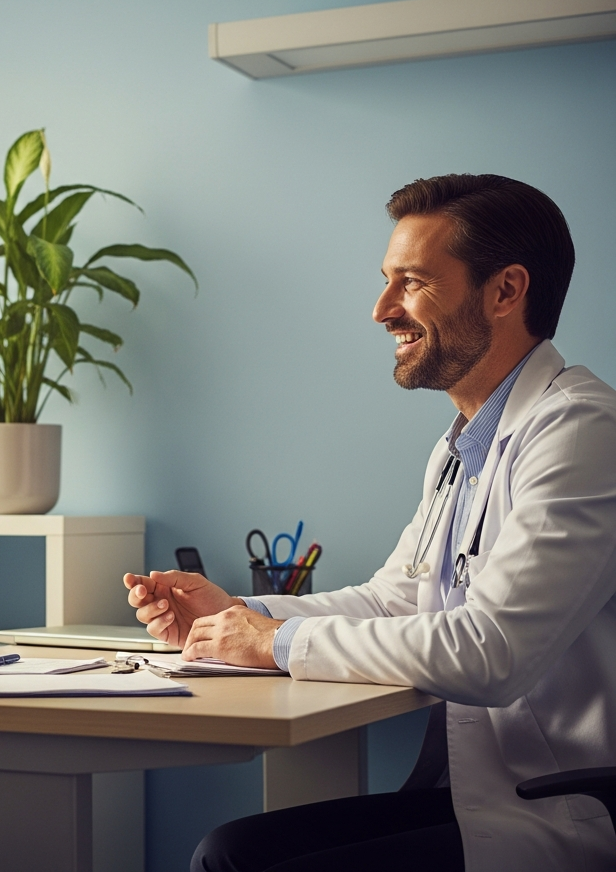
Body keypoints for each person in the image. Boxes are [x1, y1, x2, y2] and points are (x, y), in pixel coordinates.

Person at [124, 175, 616, 871]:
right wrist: (237, 614)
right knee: (228, 852)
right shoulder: (463, 445)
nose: (383, 310)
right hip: (472, 794)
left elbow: (489, 653)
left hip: (555, 811)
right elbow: (397, 597)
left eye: (411, 283)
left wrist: (274, 642)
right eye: (388, 282)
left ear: (505, 291)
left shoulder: (582, 431)